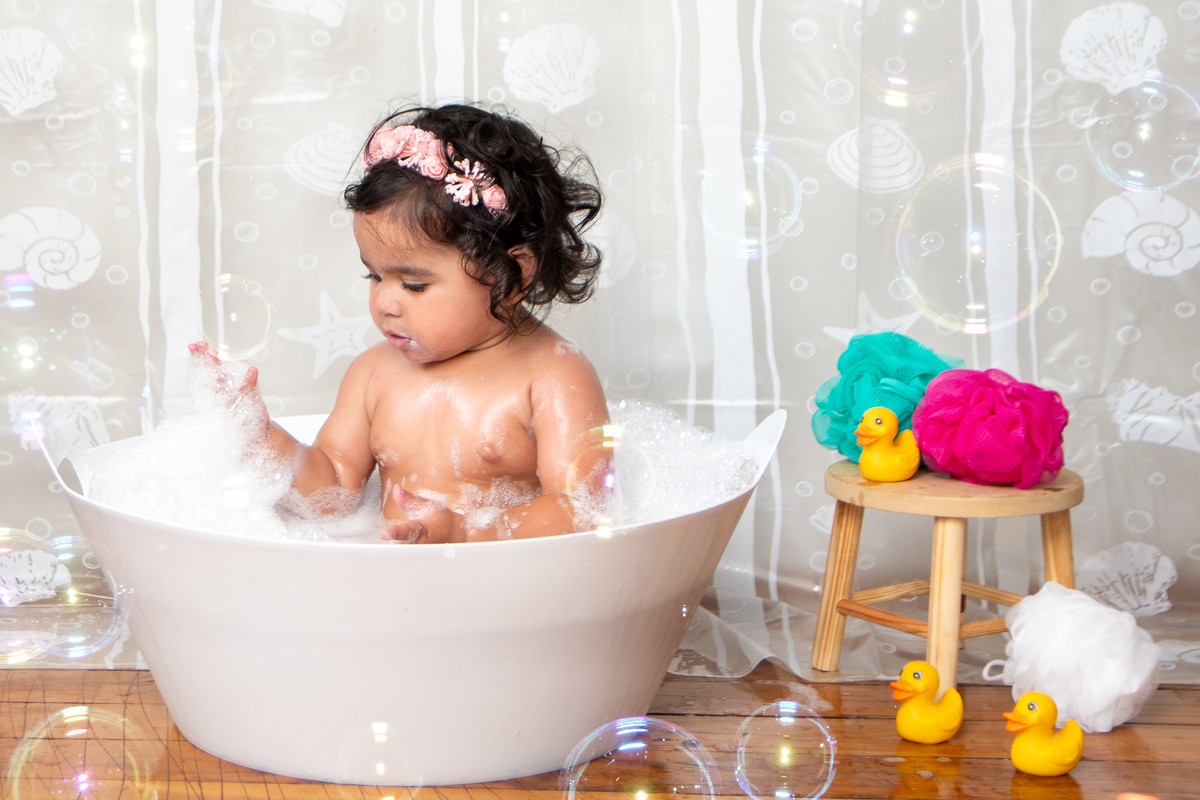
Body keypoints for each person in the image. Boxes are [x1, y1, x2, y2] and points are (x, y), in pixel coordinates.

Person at [189, 103, 610, 543]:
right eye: (374, 276)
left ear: (512, 277)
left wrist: (467, 531)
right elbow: (332, 492)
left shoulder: (554, 376)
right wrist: (258, 435)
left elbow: (582, 506)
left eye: (414, 285)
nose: (384, 302)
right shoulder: (375, 374)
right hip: (392, 574)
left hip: (502, 577)